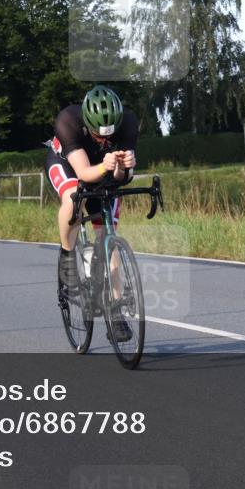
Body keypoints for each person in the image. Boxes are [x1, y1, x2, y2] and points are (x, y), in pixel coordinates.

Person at [46, 85, 138, 342]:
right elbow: (85, 174)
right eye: (97, 134)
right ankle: (68, 256)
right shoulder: (68, 120)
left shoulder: (129, 123)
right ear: (87, 123)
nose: (103, 140)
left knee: (109, 239)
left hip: (103, 171)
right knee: (73, 195)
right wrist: (104, 166)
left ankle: (116, 313)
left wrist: (123, 167)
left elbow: (122, 178)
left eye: (108, 135)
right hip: (68, 164)